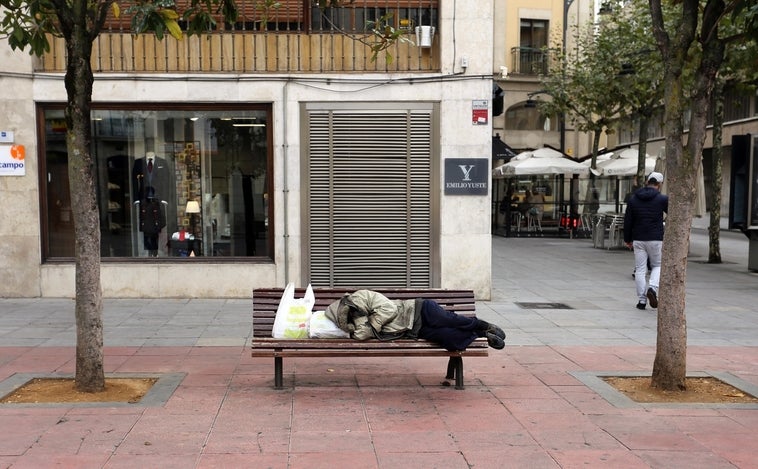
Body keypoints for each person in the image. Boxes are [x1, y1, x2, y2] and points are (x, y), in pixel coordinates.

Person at [324, 289, 506, 351]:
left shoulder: (362, 296)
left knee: (450, 320)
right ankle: (481, 335)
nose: (355, 312)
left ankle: (483, 325)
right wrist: (367, 322)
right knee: (450, 339)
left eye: (352, 310)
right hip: (414, 331)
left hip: (419, 310)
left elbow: (388, 309)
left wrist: (372, 324)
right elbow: (361, 336)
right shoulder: (356, 322)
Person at [623, 172, 668, 310]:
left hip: (638, 238)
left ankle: (641, 301)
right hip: (656, 238)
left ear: (647, 181)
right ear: (659, 184)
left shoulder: (633, 199)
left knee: (640, 270)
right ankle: (653, 289)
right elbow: (672, 216)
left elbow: (628, 220)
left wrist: (627, 239)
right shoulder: (662, 199)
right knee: (658, 265)